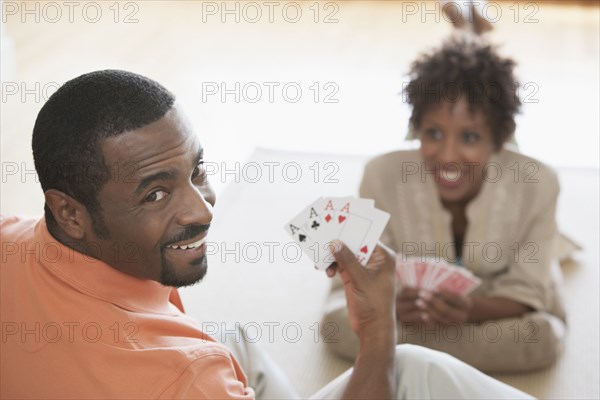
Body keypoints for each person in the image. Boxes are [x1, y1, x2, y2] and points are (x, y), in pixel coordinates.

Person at [1, 70, 533, 399]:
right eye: (155, 194)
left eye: (198, 170)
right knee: (413, 368)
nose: (204, 210)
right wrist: (377, 334)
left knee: (232, 340)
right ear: (70, 213)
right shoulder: (188, 379)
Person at [322, 34, 567, 373]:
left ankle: (404, 354)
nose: (448, 156)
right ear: (415, 128)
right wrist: (390, 305)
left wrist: (470, 310)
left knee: (542, 337)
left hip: (495, 298)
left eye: (469, 137)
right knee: (336, 327)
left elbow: (527, 294)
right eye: (434, 133)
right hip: (417, 315)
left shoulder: (538, 184)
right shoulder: (381, 175)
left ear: (499, 137)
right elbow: (355, 286)